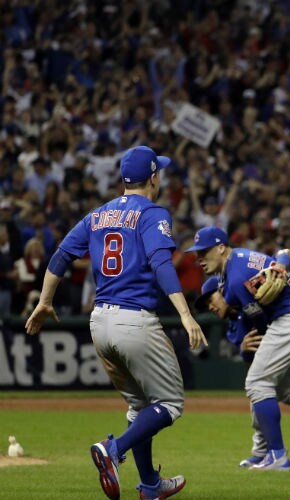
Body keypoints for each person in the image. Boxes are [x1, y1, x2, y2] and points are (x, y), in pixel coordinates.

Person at [25, 145, 207, 500]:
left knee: (140, 407)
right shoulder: (153, 213)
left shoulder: (97, 215)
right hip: (134, 321)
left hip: (100, 322)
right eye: (160, 173)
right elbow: (160, 262)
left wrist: (45, 301)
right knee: (170, 405)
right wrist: (186, 314)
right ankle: (114, 449)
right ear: (153, 176)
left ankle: (151, 487)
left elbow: (60, 256)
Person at [186, 226, 290, 472]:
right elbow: (283, 253)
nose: (199, 259)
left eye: (203, 252)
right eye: (197, 254)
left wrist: (282, 264)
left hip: (289, 318)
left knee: (257, 383)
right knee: (289, 390)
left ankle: (276, 456)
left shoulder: (233, 281)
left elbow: (259, 324)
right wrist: (282, 262)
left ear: (221, 247)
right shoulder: (242, 259)